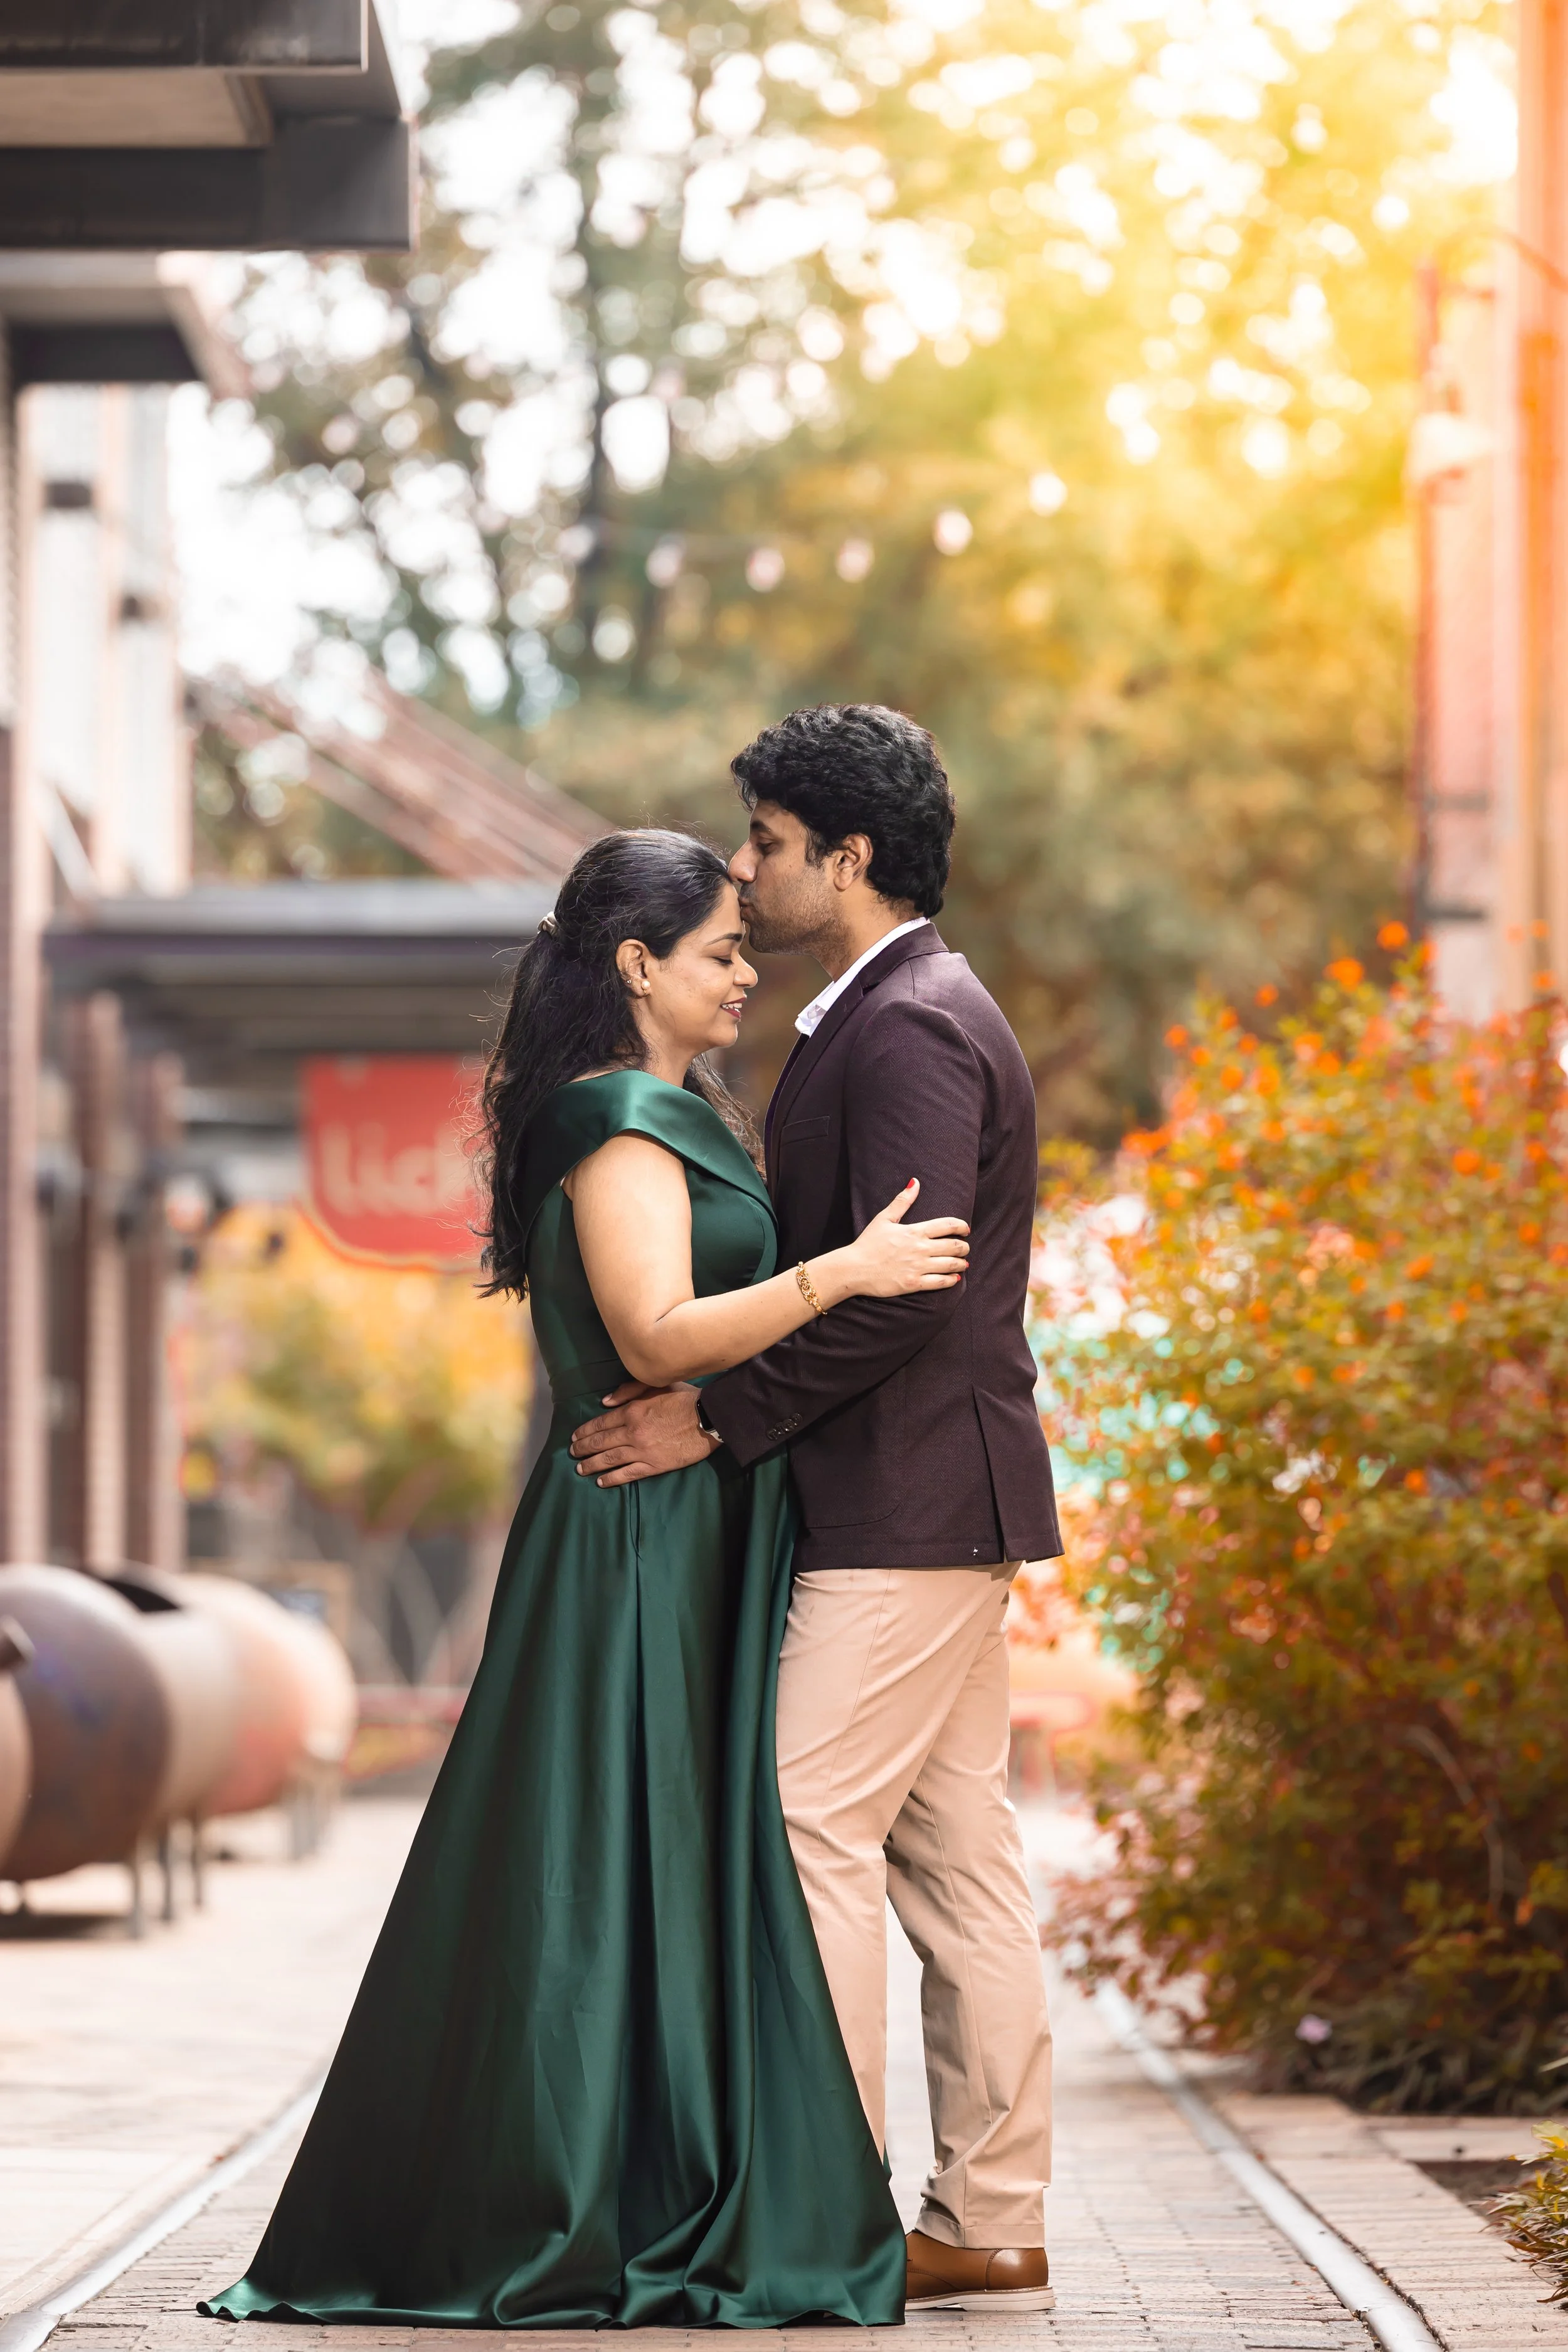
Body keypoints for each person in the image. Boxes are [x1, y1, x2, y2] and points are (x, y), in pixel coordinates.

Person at [199, 829, 972, 2329]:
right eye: (719, 953)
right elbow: (657, 1333)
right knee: (613, 1854)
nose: (748, 974)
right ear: (636, 967)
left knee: (647, 1853)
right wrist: (844, 1274)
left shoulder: (670, 1111)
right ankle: (592, 2195)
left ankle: (654, 2174)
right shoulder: (619, 1118)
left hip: (688, 1526)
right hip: (637, 1543)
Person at [571, 706, 1061, 2314]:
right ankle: (982, 2215)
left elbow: (896, 1299)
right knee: (952, 1858)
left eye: (768, 844)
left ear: (844, 860)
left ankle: (831, 2204)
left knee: (802, 1826)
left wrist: (716, 1420)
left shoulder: (909, 1022)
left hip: (907, 1502)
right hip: (932, 1495)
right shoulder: (894, 1006)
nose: (746, 870)